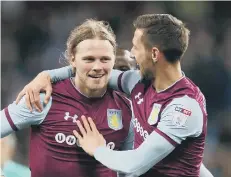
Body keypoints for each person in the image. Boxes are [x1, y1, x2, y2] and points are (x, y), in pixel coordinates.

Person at [15, 14, 213, 177]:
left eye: (135, 47)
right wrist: (46, 76)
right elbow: (90, 72)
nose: (132, 54)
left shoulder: (184, 108)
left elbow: (134, 165)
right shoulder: (137, 82)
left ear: (154, 54)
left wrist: (98, 149)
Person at [1, 19, 134, 177]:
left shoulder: (126, 109)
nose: (97, 67)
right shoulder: (45, 99)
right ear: (72, 59)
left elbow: (129, 169)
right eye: (89, 59)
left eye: (105, 59)